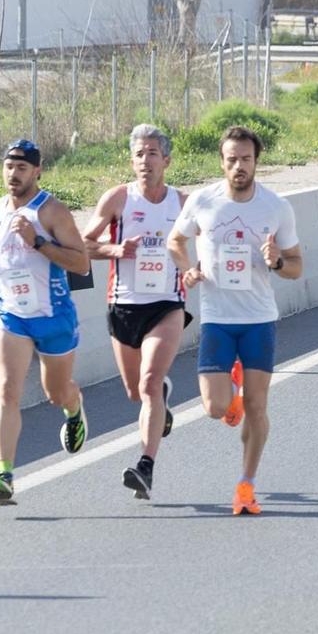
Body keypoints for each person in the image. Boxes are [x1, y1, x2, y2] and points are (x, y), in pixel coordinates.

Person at [166, 126, 302, 515]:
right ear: (222, 162)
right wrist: (187, 269)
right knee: (214, 406)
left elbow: (296, 267)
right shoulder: (203, 202)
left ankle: (246, 485)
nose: (238, 166)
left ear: (256, 161)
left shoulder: (276, 207)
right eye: (231, 160)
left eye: (245, 159)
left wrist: (276, 260)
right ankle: (232, 392)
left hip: (259, 319)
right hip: (217, 319)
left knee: (258, 407)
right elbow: (176, 241)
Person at [0, 139, 93, 506]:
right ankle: (4, 475)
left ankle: (74, 409)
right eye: (9, 167)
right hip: (11, 314)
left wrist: (39, 242)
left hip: (53, 316)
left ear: (37, 171)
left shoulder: (53, 212)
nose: (13, 174)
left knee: (56, 392)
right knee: (8, 391)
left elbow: (82, 264)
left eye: (22, 168)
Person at [84, 124, 187, 500]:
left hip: (166, 305)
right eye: (139, 154)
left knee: (147, 384)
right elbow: (83, 246)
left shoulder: (182, 203)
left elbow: (208, 239)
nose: (145, 161)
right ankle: (161, 396)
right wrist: (116, 251)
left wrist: (195, 267)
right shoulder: (118, 199)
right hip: (124, 305)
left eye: (153, 154)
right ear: (132, 160)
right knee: (136, 391)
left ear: (167, 160)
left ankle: (146, 466)